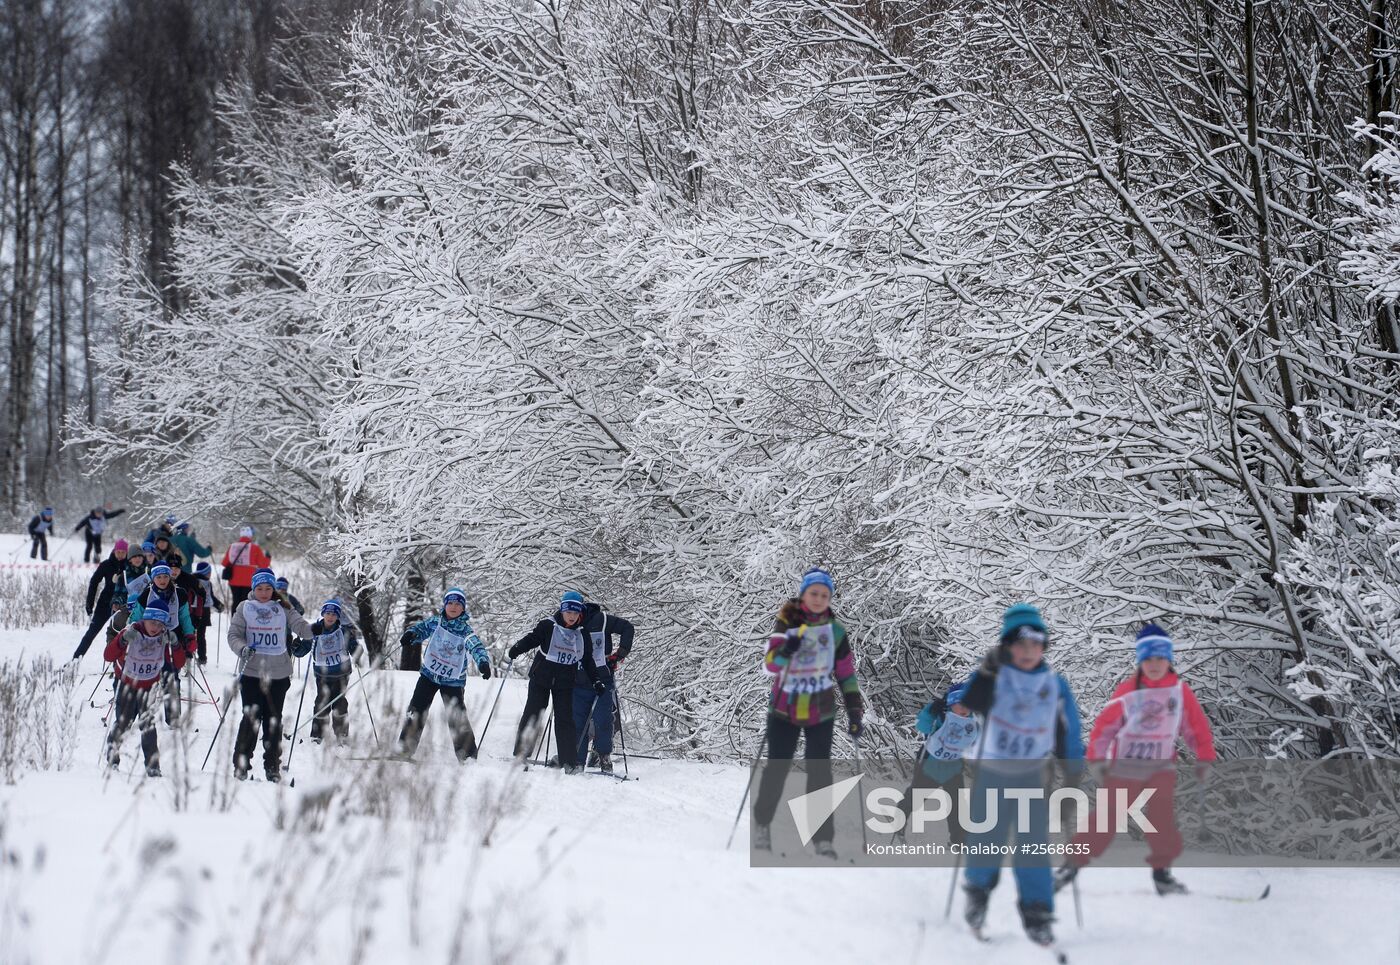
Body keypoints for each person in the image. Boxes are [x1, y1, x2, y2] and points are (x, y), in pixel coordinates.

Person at [1054, 624, 1216, 897]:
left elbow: (1195, 727)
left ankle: (1162, 874)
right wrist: (1096, 758)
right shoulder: (1128, 691)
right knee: (1107, 818)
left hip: (1161, 768)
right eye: (1148, 659)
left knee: (1162, 819)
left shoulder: (1179, 692)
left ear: (1169, 659)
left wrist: (1204, 757)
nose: (1154, 665)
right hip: (1125, 768)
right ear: (1140, 661)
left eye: (1160, 658)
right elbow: (1105, 727)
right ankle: (1069, 867)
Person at [959, 603, 1084, 949]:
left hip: (1032, 773)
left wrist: (1073, 765)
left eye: (1035, 644)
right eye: (1020, 644)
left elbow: (1067, 729)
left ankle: (1038, 912)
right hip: (993, 770)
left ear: (1044, 646)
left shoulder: (1054, 684)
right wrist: (986, 671)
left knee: (1032, 846)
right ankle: (977, 894)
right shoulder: (995, 677)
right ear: (1007, 647)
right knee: (987, 838)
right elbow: (972, 702)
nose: (1028, 651)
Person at [751, 568, 864, 859]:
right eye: (814, 593)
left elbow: (846, 674)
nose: (818, 599)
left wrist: (854, 709)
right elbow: (770, 665)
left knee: (819, 771)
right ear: (803, 594)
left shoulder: (836, 632)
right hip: (784, 708)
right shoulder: (787, 623)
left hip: (820, 709)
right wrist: (786, 649)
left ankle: (822, 838)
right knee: (777, 767)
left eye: (824, 595)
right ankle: (762, 824)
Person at [227, 568, 313, 781]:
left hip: (279, 673)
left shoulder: (283, 607)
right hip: (251, 670)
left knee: (273, 720)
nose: (264, 593)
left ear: (273, 589)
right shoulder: (245, 607)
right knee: (251, 717)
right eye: (259, 588)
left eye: (268, 588)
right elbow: (234, 634)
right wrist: (242, 648)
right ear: (253, 589)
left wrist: (321, 628)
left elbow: (302, 628)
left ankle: (272, 766)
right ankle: (241, 764)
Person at [508, 591, 602, 773]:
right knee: (533, 714)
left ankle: (569, 761)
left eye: (576, 613)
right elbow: (532, 639)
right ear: (562, 610)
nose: (572, 617)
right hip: (541, 677)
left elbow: (588, 660)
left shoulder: (582, 634)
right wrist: (517, 648)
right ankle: (521, 755)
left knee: (565, 720)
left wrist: (596, 681)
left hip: (565, 682)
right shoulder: (548, 626)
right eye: (569, 612)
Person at [395, 588, 490, 761]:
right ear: (445, 605)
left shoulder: (465, 631)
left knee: (456, 715)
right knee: (416, 709)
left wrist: (483, 662)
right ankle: (404, 749)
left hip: (452, 680)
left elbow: (476, 647)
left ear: (463, 608)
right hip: (429, 674)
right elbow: (421, 629)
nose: (453, 607)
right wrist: (411, 634)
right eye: (450, 603)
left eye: (458, 604)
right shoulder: (436, 622)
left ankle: (467, 755)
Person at [103, 595, 182, 777]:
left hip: (150, 687)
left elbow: (176, 664)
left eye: (160, 624)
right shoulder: (131, 631)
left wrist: (176, 645)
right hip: (127, 684)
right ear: (144, 619)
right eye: (152, 622)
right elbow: (108, 655)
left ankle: (153, 766)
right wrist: (122, 640)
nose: (155, 628)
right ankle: (112, 757)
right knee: (124, 723)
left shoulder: (163, 638)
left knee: (148, 726)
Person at [901, 681, 980, 846]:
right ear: (951, 704)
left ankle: (959, 839)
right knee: (916, 797)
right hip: (929, 764)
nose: (964, 709)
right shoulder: (942, 715)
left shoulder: (972, 723)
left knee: (957, 804)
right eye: (960, 705)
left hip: (952, 768)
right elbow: (923, 726)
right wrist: (931, 711)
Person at [128, 561, 198, 725]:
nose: (162, 580)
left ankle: (173, 717)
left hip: (172, 640)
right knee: (142, 677)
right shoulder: (146, 594)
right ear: (153, 578)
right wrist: (130, 634)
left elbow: (185, 617)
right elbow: (136, 617)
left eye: (165, 576)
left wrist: (189, 636)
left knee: (171, 677)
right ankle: (133, 713)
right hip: (148, 641)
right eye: (159, 577)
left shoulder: (179, 594)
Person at [574, 600, 636, 773]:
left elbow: (627, 628)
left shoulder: (600, 619)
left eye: (576, 611)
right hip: (577, 681)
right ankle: (577, 760)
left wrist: (620, 653)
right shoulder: (566, 623)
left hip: (603, 678)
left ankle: (604, 756)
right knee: (577, 721)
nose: (572, 616)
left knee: (604, 719)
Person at [73, 539, 133, 661]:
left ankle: (120, 664)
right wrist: (89, 603)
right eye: (118, 552)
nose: (120, 555)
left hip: (123, 604)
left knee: (122, 635)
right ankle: (75, 660)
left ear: (127, 553)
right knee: (91, 632)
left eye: (123, 552)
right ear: (114, 551)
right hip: (105, 603)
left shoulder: (129, 566)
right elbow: (94, 582)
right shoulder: (106, 564)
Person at [308, 600, 359, 743]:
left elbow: (354, 648)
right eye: (328, 613)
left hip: (341, 674)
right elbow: (305, 646)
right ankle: (317, 735)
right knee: (322, 702)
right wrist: (297, 647)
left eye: (333, 614)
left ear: (338, 616)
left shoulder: (343, 631)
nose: (330, 617)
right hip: (322, 674)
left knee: (340, 703)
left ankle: (341, 735)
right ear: (323, 614)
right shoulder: (316, 630)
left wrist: (357, 650)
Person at [221, 526, 271, 609]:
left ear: (241, 535)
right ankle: (245, 621)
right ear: (250, 535)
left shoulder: (232, 547)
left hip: (234, 581)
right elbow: (263, 565)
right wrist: (268, 558)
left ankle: (235, 620)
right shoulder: (255, 548)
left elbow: (224, 563)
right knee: (247, 603)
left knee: (236, 602)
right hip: (248, 581)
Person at [188, 561, 224, 665]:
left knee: (190, 634)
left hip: (192, 611)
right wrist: (219, 605)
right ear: (206, 573)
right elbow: (211, 597)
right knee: (201, 636)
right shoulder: (207, 583)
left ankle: (189, 655)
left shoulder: (191, 580)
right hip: (204, 612)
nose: (210, 574)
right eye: (209, 572)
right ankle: (202, 658)